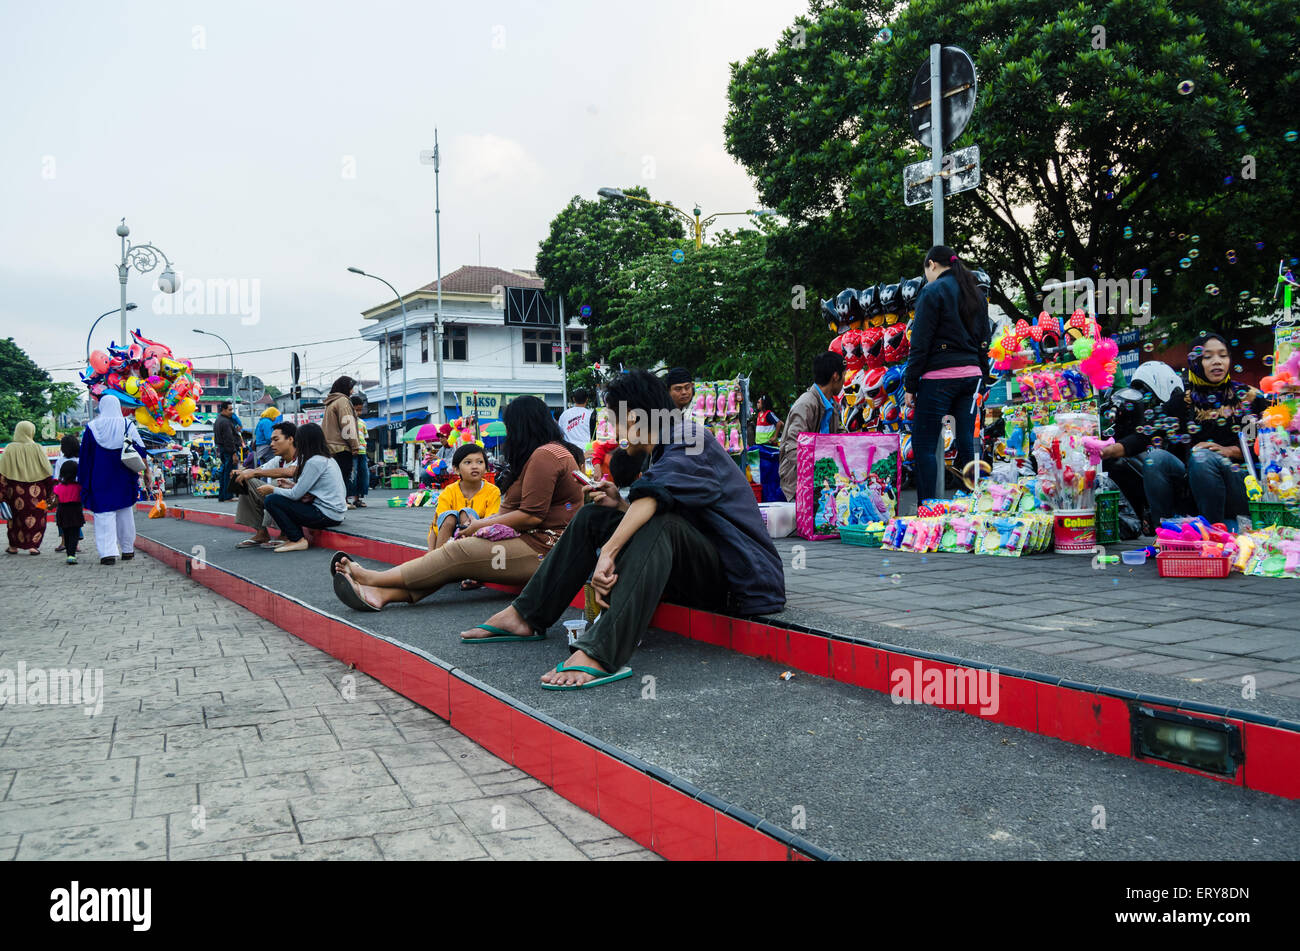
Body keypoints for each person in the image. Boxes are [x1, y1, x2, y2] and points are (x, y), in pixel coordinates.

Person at [462, 370, 787, 689]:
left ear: (632, 417)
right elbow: (671, 505)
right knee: (593, 515)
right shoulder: (664, 447)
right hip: (701, 569)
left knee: (658, 519)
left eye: (613, 420)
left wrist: (609, 555)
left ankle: (601, 652)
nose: (612, 430)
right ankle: (526, 615)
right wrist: (620, 505)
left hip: (742, 584)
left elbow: (657, 504)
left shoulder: (689, 438)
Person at [330, 396, 584, 611]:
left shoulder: (545, 455)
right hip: (537, 543)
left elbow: (532, 516)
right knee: (458, 554)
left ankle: (373, 578)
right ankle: (382, 595)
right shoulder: (549, 452)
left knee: (456, 553)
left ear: (522, 426)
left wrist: (480, 525)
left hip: (545, 551)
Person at [1144, 334, 1269, 528]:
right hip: (1195, 488)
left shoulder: (1247, 398)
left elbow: (1256, 446)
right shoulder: (1182, 402)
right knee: (1157, 458)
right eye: (1208, 356)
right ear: (1195, 362)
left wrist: (1227, 451)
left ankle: (1214, 534)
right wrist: (1107, 447)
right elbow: (1146, 434)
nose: (1217, 361)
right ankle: (1165, 532)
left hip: (1240, 487)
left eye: (1223, 355)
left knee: (1203, 457)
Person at [904, 245, 992, 503]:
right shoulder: (975, 293)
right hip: (972, 376)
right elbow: (984, 341)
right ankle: (976, 505)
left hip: (939, 377)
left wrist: (910, 384)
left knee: (925, 445)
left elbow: (919, 343)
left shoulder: (932, 291)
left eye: (926, 270)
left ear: (932, 264)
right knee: (967, 441)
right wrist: (982, 378)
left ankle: (926, 510)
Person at [1101, 361, 1187, 531]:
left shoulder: (1178, 408)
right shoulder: (1137, 418)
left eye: (1149, 396)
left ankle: (1163, 528)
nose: (1145, 404)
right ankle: (1160, 531)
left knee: (1155, 458)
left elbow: (1147, 435)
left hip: (1184, 481)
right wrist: (1108, 449)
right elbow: (1141, 438)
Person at [78, 395, 149, 565]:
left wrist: (84, 479)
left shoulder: (92, 427)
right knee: (125, 511)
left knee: (103, 513)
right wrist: (146, 472)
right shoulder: (127, 424)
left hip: (100, 475)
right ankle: (127, 550)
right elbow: (141, 449)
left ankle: (108, 553)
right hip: (123, 474)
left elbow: (85, 457)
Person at [256, 422, 347, 553]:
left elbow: (295, 495)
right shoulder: (327, 459)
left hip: (325, 514)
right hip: (335, 513)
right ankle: (294, 538)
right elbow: (310, 489)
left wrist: (272, 489)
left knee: (272, 500)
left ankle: (297, 539)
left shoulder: (314, 462)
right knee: (281, 497)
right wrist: (290, 485)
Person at [778, 350, 845, 502]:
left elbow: (839, 435)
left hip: (824, 480)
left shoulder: (832, 405)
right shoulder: (806, 404)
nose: (844, 381)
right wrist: (820, 469)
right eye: (844, 375)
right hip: (800, 484)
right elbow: (793, 448)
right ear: (835, 376)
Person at [232, 420, 298, 548]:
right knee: (245, 480)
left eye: (276, 440)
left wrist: (252, 473)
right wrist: (242, 472)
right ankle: (261, 532)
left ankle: (286, 533)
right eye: (271, 440)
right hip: (284, 500)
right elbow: (259, 470)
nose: (271, 444)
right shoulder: (279, 459)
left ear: (290, 439)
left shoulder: (303, 456)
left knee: (279, 483)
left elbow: (290, 472)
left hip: (302, 503)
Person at [429, 443, 502, 551]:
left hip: (478, 540)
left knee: (467, 513)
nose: (475, 466)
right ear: (456, 469)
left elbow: (490, 523)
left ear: (486, 468)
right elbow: (435, 527)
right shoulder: (449, 491)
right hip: (447, 538)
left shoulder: (493, 491)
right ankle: (438, 560)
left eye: (480, 462)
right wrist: (430, 554)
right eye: (468, 462)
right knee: (449, 517)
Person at [1, 420, 56, 555]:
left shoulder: (9, 448)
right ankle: (33, 546)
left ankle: (13, 546)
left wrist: (2, 494)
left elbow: (3, 473)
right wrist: (51, 492)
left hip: (15, 492)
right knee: (38, 518)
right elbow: (47, 471)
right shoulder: (37, 448)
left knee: (15, 520)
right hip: (38, 492)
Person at [321, 376, 360, 502]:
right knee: (343, 476)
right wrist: (355, 446)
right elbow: (347, 426)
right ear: (345, 388)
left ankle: (338, 502)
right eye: (351, 388)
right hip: (341, 447)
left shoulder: (331, 402)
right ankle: (342, 502)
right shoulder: (343, 401)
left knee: (335, 478)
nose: (352, 391)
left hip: (330, 447)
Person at [50, 433, 80, 552]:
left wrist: (54, 494)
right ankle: (75, 544)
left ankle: (64, 542)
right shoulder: (81, 459)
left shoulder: (60, 461)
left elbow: (57, 479)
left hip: (62, 495)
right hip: (77, 494)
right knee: (76, 519)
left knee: (62, 519)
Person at [52, 461, 85, 565]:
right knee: (74, 533)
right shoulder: (79, 487)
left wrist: (46, 506)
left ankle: (68, 554)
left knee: (66, 533)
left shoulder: (58, 488)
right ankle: (72, 555)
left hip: (62, 512)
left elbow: (55, 502)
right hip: (75, 511)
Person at [213, 402, 241, 502]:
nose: (231, 412)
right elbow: (229, 439)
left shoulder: (219, 420)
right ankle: (228, 496)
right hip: (228, 450)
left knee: (225, 473)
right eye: (229, 410)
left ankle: (223, 496)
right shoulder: (224, 422)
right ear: (223, 410)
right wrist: (234, 453)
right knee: (230, 473)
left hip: (223, 449)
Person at [350, 395, 371, 507]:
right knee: (352, 476)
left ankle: (357, 499)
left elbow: (365, 437)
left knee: (363, 475)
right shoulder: (347, 422)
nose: (358, 412)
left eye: (360, 410)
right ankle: (347, 498)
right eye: (356, 410)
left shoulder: (362, 423)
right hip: (352, 452)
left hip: (362, 453)